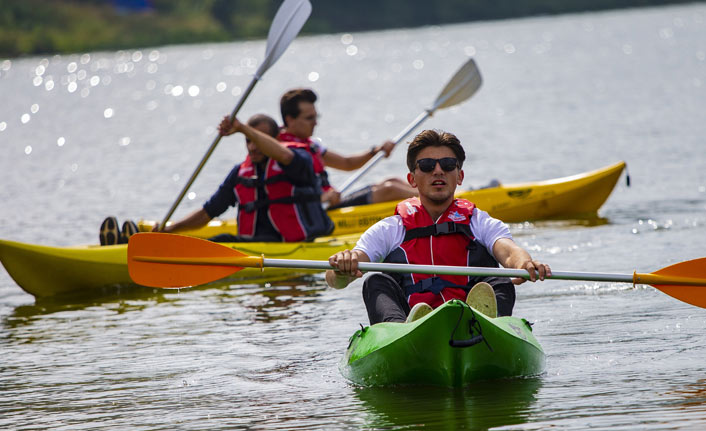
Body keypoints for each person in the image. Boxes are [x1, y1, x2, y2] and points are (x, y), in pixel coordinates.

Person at [325, 129, 551, 324]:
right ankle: (399, 330)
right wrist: (343, 268)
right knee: (376, 281)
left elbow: (509, 251)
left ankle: (488, 325)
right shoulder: (390, 229)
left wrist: (525, 262)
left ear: (459, 176)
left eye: (447, 164)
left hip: (472, 322)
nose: (438, 171)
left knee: (498, 279)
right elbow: (335, 280)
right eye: (426, 165)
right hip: (410, 326)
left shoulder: (479, 222)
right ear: (412, 179)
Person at [98, 113, 333, 245]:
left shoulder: (297, 160)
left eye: (256, 140)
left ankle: (134, 248)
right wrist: (171, 229)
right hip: (254, 244)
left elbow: (282, 154)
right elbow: (208, 212)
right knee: (218, 239)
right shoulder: (240, 172)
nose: (252, 147)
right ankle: (128, 245)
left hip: (291, 245)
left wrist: (243, 128)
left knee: (219, 241)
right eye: (247, 142)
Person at [277, 88, 418, 208]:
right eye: (309, 118)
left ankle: (431, 199)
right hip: (318, 210)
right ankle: (434, 202)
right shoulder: (280, 152)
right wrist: (321, 198)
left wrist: (375, 151)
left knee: (393, 181)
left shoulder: (311, 145)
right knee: (390, 190)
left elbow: (347, 163)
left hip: (332, 202)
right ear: (290, 120)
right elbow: (284, 195)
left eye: (316, 117)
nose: (315, 123)